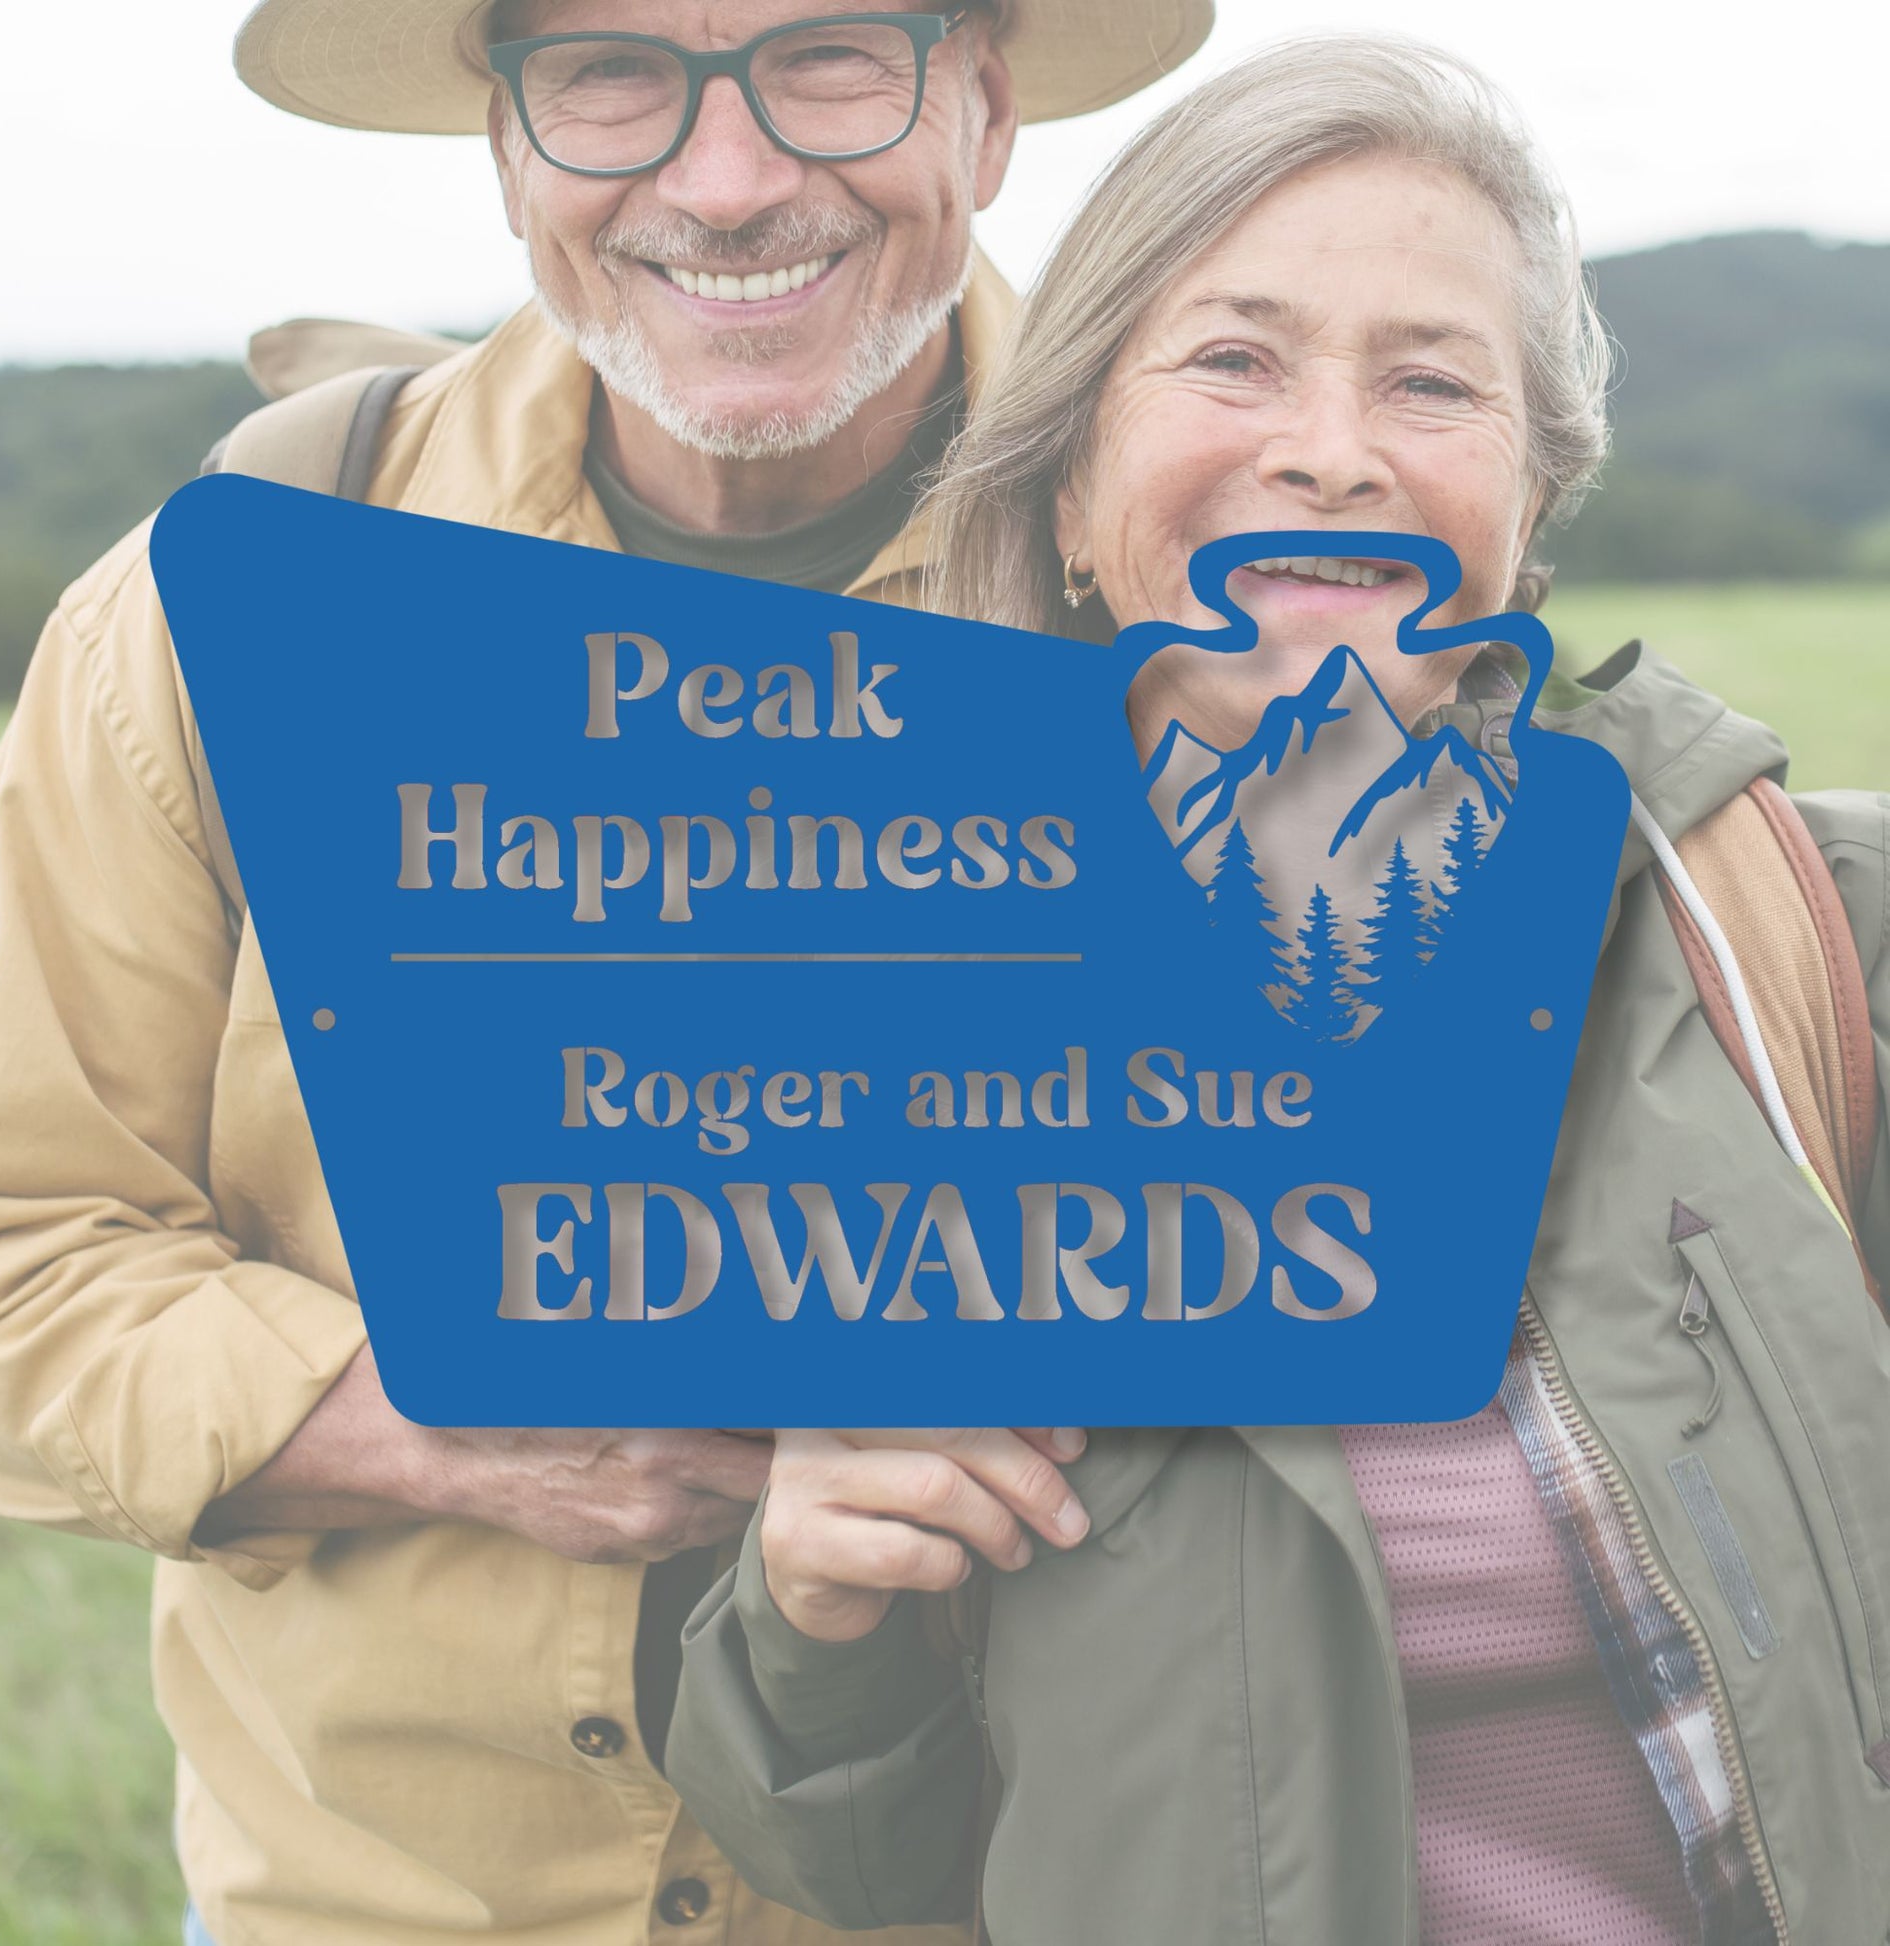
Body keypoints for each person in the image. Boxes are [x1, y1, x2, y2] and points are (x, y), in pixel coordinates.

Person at [0, 4, 1212, 1944]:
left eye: (834, 54)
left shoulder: (1203, 593)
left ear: (985, 106)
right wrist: (447, 1422)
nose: (724, 181)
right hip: (369, 1904)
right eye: (610, 71)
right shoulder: (220, 606)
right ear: (505, 147)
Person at [664, 35, 1890, 1945]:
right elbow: (850, 1850)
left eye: (1429, 380)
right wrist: (815, 1603)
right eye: (1233, 360)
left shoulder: (1791, 924)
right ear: (1073, 491)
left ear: (1522, 508)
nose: (1332, 448)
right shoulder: (853, 1015)